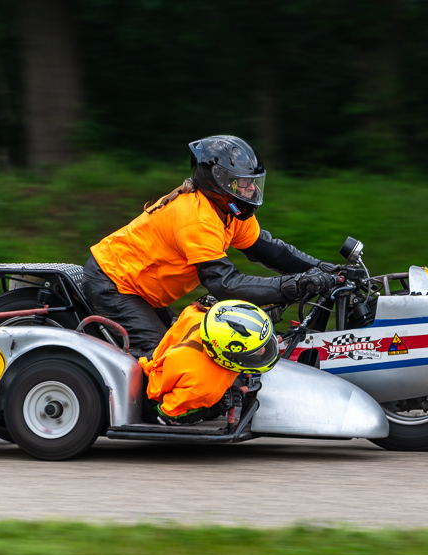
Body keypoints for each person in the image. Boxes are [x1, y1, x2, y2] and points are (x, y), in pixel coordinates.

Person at [83, 134, 337, 357]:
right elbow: (224, 284)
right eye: (243, 184)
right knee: (166, 359)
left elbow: (271, 251)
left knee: (187, 346)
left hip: (141, 288)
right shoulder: (198, 219)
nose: (250, 191)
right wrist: (292, 286)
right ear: (219, 181)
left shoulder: (230, 212)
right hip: (115, 283)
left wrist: (326, 269)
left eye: (253, 184)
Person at [139, 297, 279, 425]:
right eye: (254, 350)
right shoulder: (207, 387)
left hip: (157, 360)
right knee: (232, 394)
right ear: (228, 354)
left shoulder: (196, 314)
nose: (265, 351)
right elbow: (165, 414)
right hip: (156, 400)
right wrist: (219, 407)